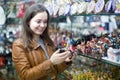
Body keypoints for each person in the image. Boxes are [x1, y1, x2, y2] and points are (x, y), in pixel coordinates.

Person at [12, 4, 77, 80]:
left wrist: (65, 61)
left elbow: (54, 71)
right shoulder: (19, 45)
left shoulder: (46, 41)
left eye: (45, 22)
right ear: (28, 22)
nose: (43, 25)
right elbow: (25, 76)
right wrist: (51, 62)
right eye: (38, 21)